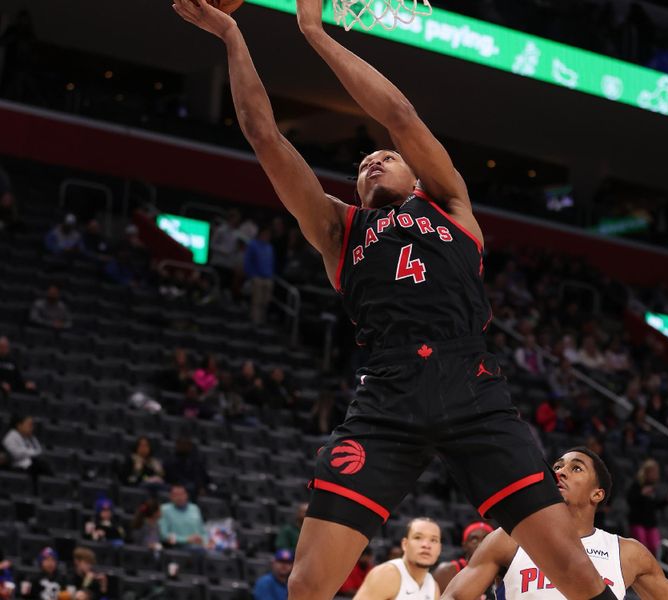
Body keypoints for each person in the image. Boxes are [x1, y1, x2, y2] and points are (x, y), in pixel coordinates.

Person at [171, 1, 625, 598]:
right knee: (305, 586)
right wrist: (232, 34)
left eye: (385, 156)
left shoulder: (449, 203)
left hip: (472, 389)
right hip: (387, 396)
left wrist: (313, 32)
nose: (372, 159)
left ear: (417, 177)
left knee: (578, 575)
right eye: (362, 165)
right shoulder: (339, 231)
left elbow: (400, 114)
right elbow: (263, 134)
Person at [441, 448, 668, 600]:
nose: (560, 471)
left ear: (598, 495)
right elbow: (455, 596)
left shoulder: (627, 553)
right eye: (558, 467)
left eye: (575, 467)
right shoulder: (512, 537)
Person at [353, 517, 441, 600]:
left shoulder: (433, 587)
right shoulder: (386, 574)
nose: (426, 545)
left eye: (433, 540)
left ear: (439, 548)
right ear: (405, 544)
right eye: (418, 537)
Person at [626, 458, 668, 555]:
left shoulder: (654, 487)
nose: (655, 474)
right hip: (638, 521)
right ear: (646, 472)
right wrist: (642, 494)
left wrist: (667, 501)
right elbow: (630, 500)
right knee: (642, 547)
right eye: (653, 472)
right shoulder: (637, 485)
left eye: (656, 472)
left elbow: (655, 506)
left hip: (650, 523)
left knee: (655, 548)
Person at [433, 522, 493, 592]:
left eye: (486, 538)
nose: (480, 544)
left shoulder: (502, 570)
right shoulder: (448, 571)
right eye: (474, 539)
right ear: (464, 545)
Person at [244, 226, 276, 325]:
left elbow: (272, 263)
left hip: (268, 278)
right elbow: (248, 261)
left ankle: (262, 321)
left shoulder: (270, 247)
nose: (267, 236)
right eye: (265, 234)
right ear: (261, 234)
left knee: (265, 301)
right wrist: (251, 275)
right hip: (257, 277)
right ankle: (255, 321)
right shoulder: (253, 245)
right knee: (257, 301)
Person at [159, 484, 207, 549]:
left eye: (182, 494)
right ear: (171, 497)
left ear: (187, 495)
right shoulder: (164, 509)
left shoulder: (194, 508)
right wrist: (186, 539)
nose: (179, 497)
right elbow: (163, 535)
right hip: (178, 546)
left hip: (200, 546)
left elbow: (203, 531)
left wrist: (206, 541)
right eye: (176, 495)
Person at [2, 415, 50, 479]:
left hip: (30, 467)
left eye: (32, 425)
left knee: (43, 464)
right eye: (29, 425)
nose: (32, 428)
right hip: (17, 468)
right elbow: (16, 454)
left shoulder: (32, 438)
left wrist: (33, 454)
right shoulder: (11, 436)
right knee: (40, 465)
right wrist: (33, 453)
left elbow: (39, 451)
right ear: (19, 425)